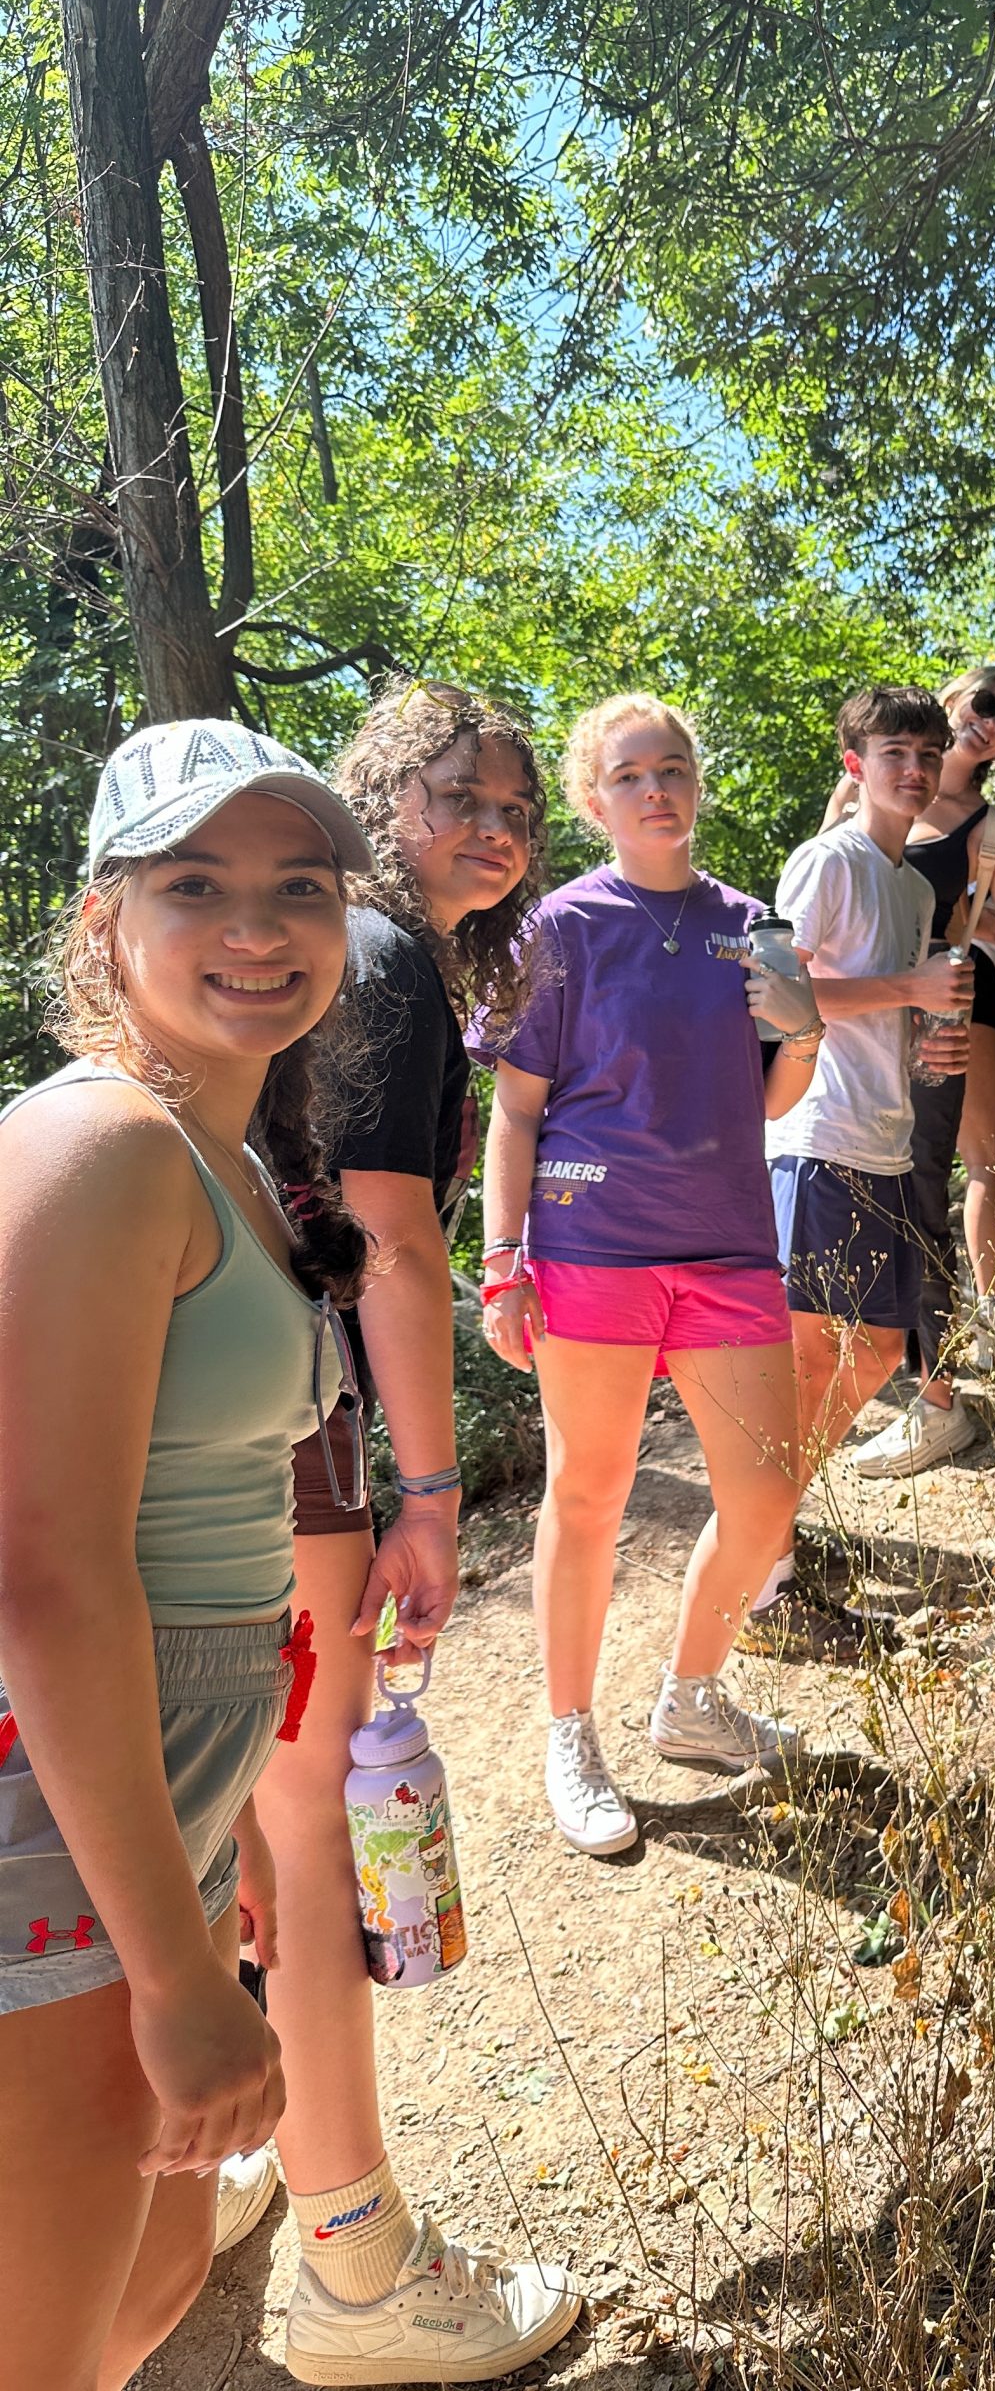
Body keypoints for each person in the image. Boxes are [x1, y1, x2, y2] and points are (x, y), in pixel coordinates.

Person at [0, 722, 371, 2391]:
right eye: (196, 883)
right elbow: (46, 1574)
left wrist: (223, 1849)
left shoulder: (215, 1151)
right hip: (53, 1810)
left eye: (301, 885)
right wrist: (170, 1964)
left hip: (168, 1782)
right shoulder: (98, 1150)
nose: (258, 925)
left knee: (150, 2275)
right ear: (104, 924)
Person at [233, 683, 582, 2380]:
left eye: (517, 804)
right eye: (461, 795)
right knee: (309, 1818)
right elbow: (388, 1244)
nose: (498, 826)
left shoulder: (352, 960)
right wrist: (430, 1499)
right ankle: (356, 2270)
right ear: (383, 798)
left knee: (236, 1791)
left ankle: (256, 2140)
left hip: (213, 1418)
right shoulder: (374, 964)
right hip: (289, 1426)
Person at [474, 695, 829, 1841]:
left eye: (671, 768)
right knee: (588, 1493)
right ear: (594, 801)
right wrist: (502, 1257)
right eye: (629, 775)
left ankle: (689, 1697)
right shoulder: (561, 929)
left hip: (728, 1243)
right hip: (593, 1250)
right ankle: (570, 1732)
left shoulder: (753, 924)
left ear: (695, 782)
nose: (656, 789)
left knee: (768, 1495)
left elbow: (774, 1097)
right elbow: (516, 1111)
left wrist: (808, 1029)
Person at [758, 688, 973, 1530]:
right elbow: (779, 991)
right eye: (896, 754)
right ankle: (767, 1553)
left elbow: (888, 1011)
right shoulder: (829, 860)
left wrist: (929, 1045)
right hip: (816, 1138)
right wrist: (908, 988)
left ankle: (767, 1526)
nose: (915, 770)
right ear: (857, 765)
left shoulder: (914, 892)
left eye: (928, 754)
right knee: (809, 1365)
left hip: (885, 1141)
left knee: (884, 1349)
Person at [837, 668, 995, 1481]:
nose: (994, 727)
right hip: (857, 1030)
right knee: (868, 1195)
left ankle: (937, 1403)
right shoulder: (865, 786)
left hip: (933, 1023)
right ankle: (898, 1378)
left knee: (923, 1193)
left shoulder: (990, 825)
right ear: (954, 693)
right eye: (987, 705)